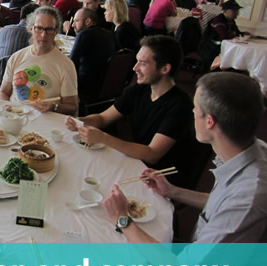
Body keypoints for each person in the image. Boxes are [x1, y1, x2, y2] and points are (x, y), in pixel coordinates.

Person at [103, 72, 267, 266]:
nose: (191, 112)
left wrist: (122, 220)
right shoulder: (253, 151)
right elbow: (223, 207)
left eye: (195, 108)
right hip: (203, 260)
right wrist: (174, 191)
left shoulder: (249, 197)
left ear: (209, 121)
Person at [66, 35, 193, 186]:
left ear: (165, 69)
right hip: (136, 162)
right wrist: (79, 121)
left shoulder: (180, 106)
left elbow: (152, 154)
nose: (135, 68)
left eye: (143, 63)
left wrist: (104, 138)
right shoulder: (139, 90)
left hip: (159, 179)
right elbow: (103, 118)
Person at [0, 6, 78, 115]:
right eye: (39, 28)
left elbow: (72, 107)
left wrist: (53, 107)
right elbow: (3, 92)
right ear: (31, 29)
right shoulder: (16, 57)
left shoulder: (66, 65)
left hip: (46, 120)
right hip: (15, 117)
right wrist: (9, 111)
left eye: (49, 30)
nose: (43, 34)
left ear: (56, 32)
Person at [69, 7, 116, 101]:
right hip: (105, 83)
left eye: (76, 21)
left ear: (88, 21)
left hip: (85, 85)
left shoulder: (84, 34)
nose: (73, 25)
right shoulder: (108, 34)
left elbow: (71, 63)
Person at [198, 0, 244, 67]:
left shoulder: (231, 21)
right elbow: (225, 36)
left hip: (220, 47)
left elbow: (237, 33)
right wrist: (233, 34)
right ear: (225, 11)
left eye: (237, 11)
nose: (237, 13)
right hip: (209, 48)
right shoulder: (218, 20)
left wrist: (244, 34)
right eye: (234, 11)